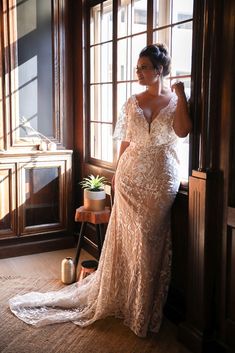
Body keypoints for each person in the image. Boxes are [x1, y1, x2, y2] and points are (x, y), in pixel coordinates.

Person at [9, 44, 192, 338]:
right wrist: (117, 173)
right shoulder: (132, 102)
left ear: (159, 70)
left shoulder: (176, 99)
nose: (138, 72)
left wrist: (182, 94)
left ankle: (141, 308)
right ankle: (123, 298)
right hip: (131, 177)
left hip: (161, 179)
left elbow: (183, 131)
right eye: (137, 67)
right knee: (125, 240)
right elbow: (125, 141)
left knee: (148, 240)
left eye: (144, 67)